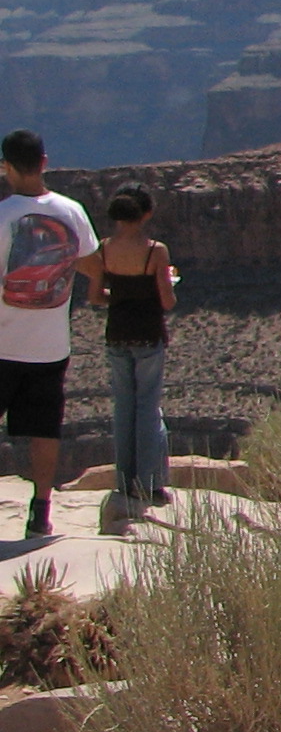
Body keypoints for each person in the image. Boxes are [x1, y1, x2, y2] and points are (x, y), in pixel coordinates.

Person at [1, 130, 99, 542]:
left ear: (5, 168)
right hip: (50, 347)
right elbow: (93, 266)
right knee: (44, 430)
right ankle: (41, 508)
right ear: (44, 161)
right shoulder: (72, 211)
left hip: (2, 344)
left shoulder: (2, 215)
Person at [80, 185, 174, 519]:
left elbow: (95, 296)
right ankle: (149, 483)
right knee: (147, 407)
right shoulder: (155, 251)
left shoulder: (103, 250)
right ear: (144, 214)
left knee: (124, 408)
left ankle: (124, 481)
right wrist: (167, 284)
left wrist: (119, 299)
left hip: (116, 334)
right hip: (148, 335)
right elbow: (167, 301)